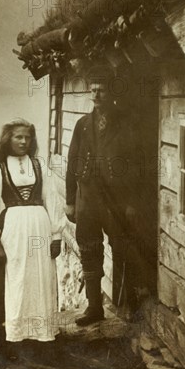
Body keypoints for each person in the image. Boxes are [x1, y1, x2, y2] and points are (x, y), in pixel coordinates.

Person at [0, 118, 64, 356]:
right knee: (16, 279)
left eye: (27, 137)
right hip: (13, 230)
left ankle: (41, 335)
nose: (24, 141)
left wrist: (56, 235)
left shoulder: (39, 166)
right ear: (8, 140)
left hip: (40, 228)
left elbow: (52, 200)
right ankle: (15, 336)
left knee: (40, 278)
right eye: (18, 137)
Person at [65, 66, 144, 326]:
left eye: (102, 89)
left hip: (116, 201)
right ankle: (94, 307)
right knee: (89, 250)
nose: (97, 94)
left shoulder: (125, 122)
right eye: (94, 89)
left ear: (110, 92)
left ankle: (128, 304)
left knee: (122, 247)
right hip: (87, 199)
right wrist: (69, 201)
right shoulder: (82, 125)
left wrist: (132, 202)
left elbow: (136, 164)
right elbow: (71, 162)